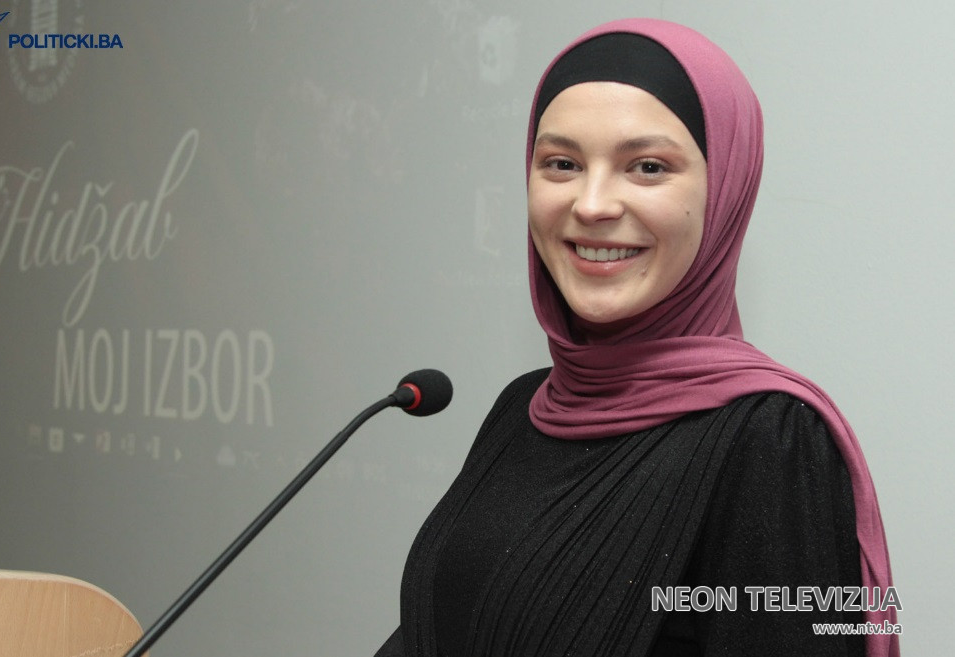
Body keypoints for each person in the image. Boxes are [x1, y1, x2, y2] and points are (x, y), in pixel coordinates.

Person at [376, 18, 897, 657]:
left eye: (647, 167)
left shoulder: (772, 439)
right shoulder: (524, 410)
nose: (592, 204)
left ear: (726, 189)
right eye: (562, 164)